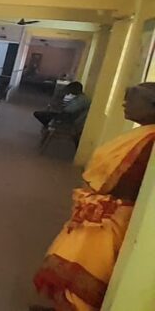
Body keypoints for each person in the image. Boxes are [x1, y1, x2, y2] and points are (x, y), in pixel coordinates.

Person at [33, 83, 155, 311]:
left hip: (110, 218)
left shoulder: (150, 141)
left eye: (133, 99)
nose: (125, 103)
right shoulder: (141, 133)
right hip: (98, 210)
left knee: (86, 269)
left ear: (153, 106)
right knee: (69, 262)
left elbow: (127, 180)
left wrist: (98, 201)